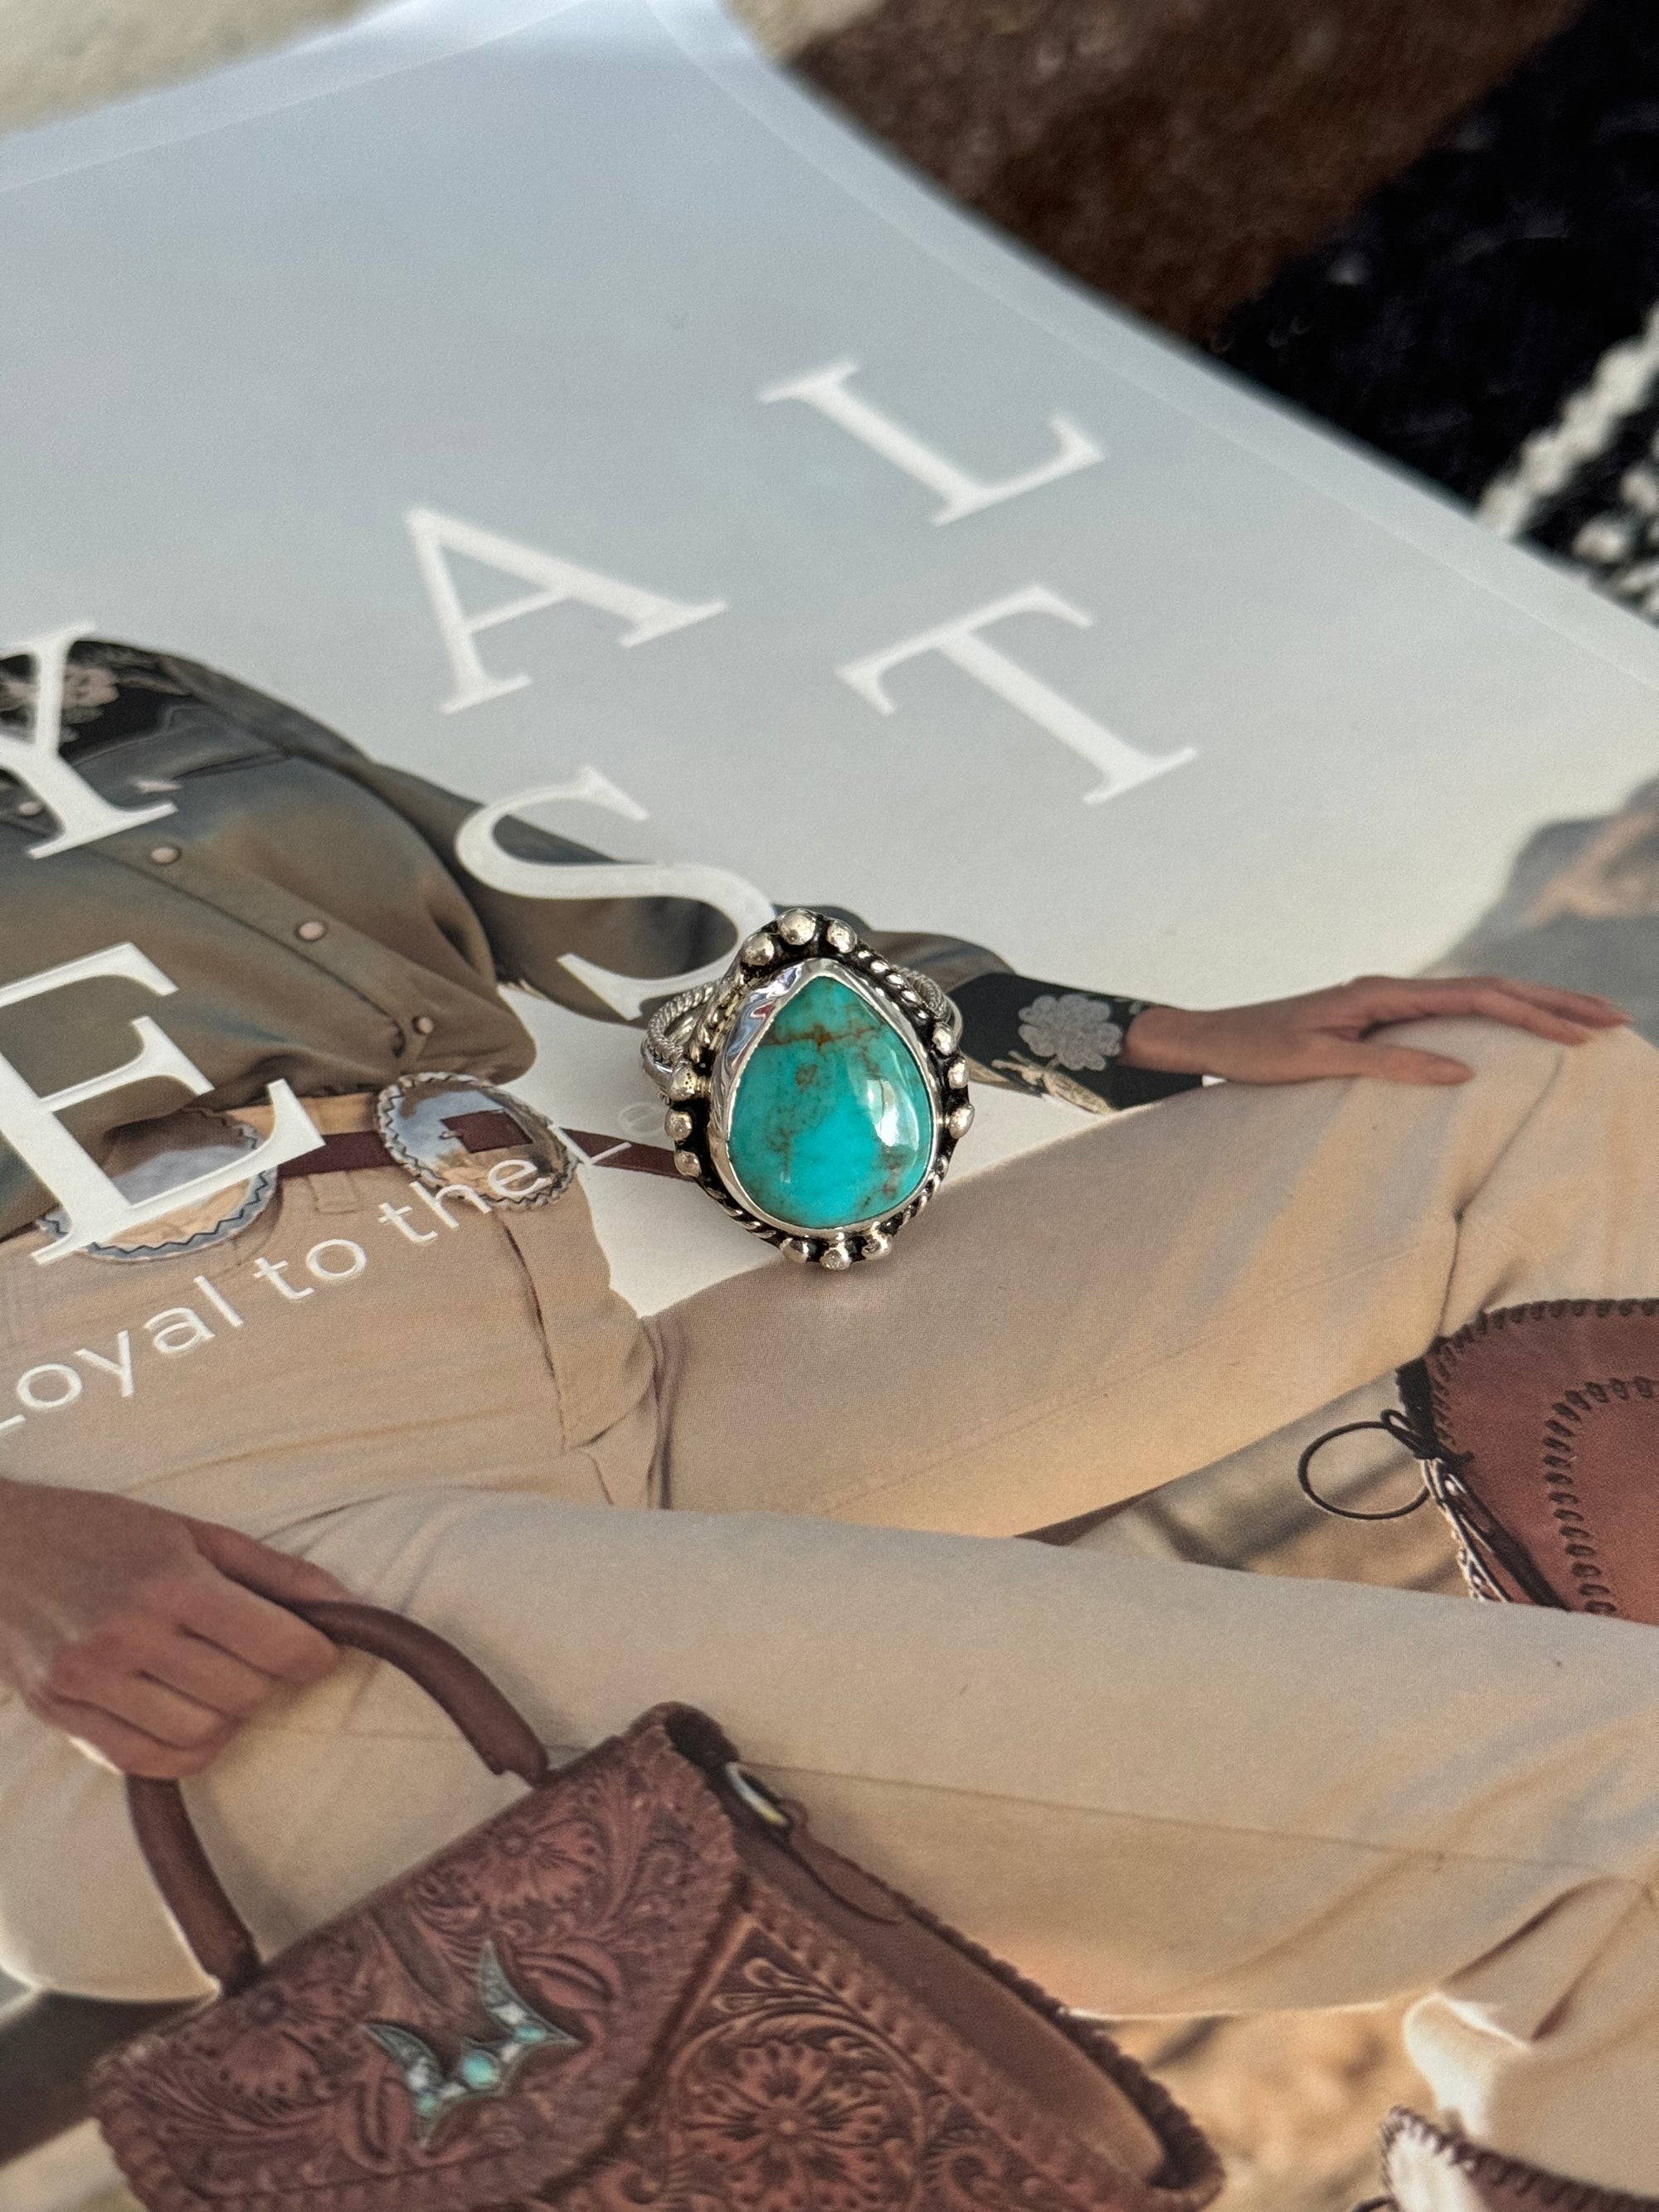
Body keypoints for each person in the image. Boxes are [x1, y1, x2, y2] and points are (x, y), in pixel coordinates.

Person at [0, 639, 1656, 2209]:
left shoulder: (97, 690)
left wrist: (1118, 1035)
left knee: (1510, 1096)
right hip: (201, 1579)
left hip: (559, 1382)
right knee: (1638, 1808)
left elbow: (640, 934)